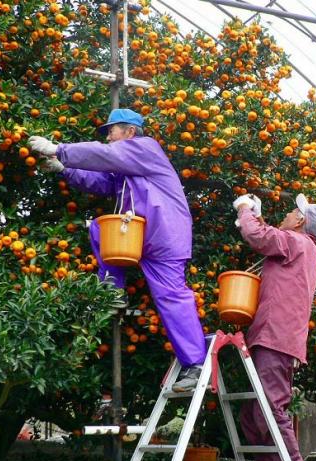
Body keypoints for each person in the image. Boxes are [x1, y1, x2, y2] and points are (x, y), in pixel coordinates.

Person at [28, 108, 206, 391]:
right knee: (100, 228)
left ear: (130, 132)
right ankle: (112, 292)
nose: (109, 136)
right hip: (139, 235)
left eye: (112, 130)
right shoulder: (127, 169)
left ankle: (195, 364)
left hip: (164, 237)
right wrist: (66, 169)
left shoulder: (146, 148)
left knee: (172, 297)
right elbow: (102, 181)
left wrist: (59, 150)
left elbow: (106, 155)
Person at [234, 192, 316, 461]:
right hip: (274, 335)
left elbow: (257, 236)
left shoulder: (296, 242)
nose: (285, 215)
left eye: (290, 213)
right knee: (252, 413)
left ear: (300, 221)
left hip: (277, 336)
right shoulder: (301, 247)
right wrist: (257, 216)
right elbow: (267, 236)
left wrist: (246, 209)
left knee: (271, 406)